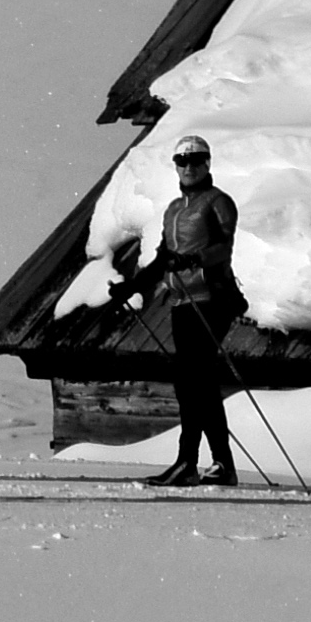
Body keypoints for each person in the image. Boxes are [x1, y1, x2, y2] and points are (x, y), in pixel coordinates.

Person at [107, 134, 244, 489]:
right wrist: (132, 287)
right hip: (182, 299)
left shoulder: (218, 202)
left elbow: (223, 246)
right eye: (181, 161)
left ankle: (189, 462)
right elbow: (162, 259)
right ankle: (219, 465)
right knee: (198, 383)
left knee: (192, 381)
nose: (188, 167)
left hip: (211, 297)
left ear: (207, 163)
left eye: (195, 160)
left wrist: (194, 258)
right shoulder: (172, 210)